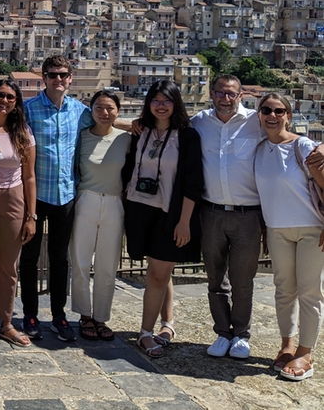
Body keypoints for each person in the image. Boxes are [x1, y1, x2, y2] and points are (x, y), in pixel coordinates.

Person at [122, 80, 202, 358]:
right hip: (140, 208)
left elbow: (193, 182)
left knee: (156, 274)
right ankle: (167, 324)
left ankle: (145, 333)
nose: (160, 105)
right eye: (155, 100)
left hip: (171, 213)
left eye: (166, 100)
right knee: (159, 270)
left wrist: (185, 222)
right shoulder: (140, 130)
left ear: (176, 103)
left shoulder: (187, 136)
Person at [19, 55, 94, 343]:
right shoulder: (29, 110)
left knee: (60, 259)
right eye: (52, 75)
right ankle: (30, 314)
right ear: (44, 78)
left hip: (66, 195)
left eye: (63, 75)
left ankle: (58, 315)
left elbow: (105, 120)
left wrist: (135, 126)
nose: (58, 79)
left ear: (70, 78)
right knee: (29, 258)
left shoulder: (79, 111)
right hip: (36, 196)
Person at [191, 74, 265, 360]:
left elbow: (287, 137)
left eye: (231, 94)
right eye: (220, 93)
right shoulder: (200, 122)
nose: (225, 98)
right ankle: (223, 332)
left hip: (248, 214)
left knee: (242, 280)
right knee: (215, 277)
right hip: (211, 212)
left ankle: (242, 335)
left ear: (240, 95)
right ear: (212, 93)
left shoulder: (256, 122)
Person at [254, 93, 324, 381]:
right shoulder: (258, 149)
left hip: (311, 228)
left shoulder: (303, 145)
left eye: (279, 110)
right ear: (259, 114)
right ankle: (287, 345)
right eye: (266, 110)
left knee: (309, 293)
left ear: (289, 115)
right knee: (284, 291)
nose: (272, 115)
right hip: (277, 229)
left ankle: (306, 353)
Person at [69, 90, 130, 342]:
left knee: (107, 265)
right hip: (86, 200)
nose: (104, 113)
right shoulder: (81, 137)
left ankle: (102, 317)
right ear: (90, 110)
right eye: (99, 108)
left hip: (115, 204)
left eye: (110, 108)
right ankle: (85, 316)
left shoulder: (126, 138)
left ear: (118, 111)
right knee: (81, 262)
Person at [0, 79, 36, 347]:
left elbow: (29, 177)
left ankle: (6, 322)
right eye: (0, 95)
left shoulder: (22, 132)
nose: (4, 100)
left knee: (8, 265)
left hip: (14, 198)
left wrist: (31, 216)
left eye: (11, 97)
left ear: (16, 103)